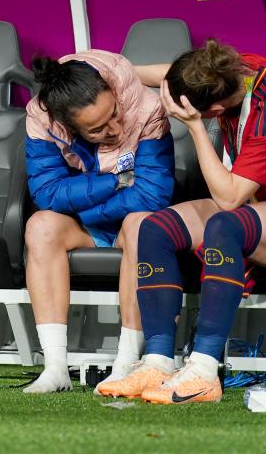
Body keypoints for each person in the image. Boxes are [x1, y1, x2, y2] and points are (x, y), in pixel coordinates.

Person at [97, 39, 266, 404]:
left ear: (214, 108)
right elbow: (168, 73)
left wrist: (196, 128)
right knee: (154, 228)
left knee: (224, 225)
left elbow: (228, 198)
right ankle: (157, 362)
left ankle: (202, 371)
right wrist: (108, 73)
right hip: (259, 206)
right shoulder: (227, 68)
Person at [22, 49, 175, 393]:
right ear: (68, 127)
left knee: (141, 225)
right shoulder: (41, 121)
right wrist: (117, 181)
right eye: (97, 129)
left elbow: (152, 194)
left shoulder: (147, 108)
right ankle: (55, 367)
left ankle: (126, 364)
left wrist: (86, 204)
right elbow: (47, 192)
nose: (116, 128)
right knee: (41, 225)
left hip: (129, 224)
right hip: (87, 225)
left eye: (115, 114)